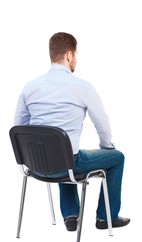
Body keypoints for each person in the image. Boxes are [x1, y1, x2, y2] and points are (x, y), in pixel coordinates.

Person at [14, 32, 130, 231]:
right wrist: (106, 147)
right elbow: (102, 124)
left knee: (60, 151)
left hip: (34, 165)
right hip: (67, 165)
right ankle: (106, 218)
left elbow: (18, 127)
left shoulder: (30, 87)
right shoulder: (82, 87)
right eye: (76, 55)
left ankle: (70, 215)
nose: (76, 59)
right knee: (116, 157)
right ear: (69, 55)